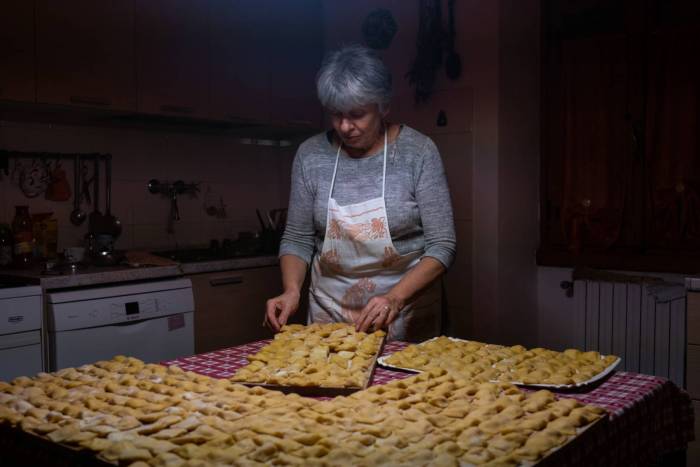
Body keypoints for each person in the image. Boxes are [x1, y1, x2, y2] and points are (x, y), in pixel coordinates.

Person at [265, 44, 456, 341]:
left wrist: (394, 298)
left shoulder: (417, 152)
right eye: (336, 114)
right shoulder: (311, 155)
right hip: (329, 314)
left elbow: (442, 246)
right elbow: (297, 238)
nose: (345, 126)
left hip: (404, 315)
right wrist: (291, 290)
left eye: (357, 114)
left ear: (384, 107)